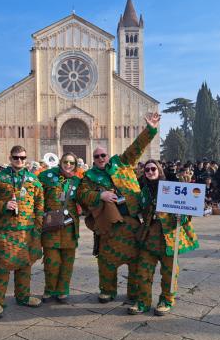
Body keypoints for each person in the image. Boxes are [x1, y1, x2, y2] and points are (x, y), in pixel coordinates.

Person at [77, 113, 160, 304]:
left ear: (108, 155)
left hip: (131, 220)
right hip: (108, 224)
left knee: (135, 259)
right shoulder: (89, 176)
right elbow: (81, 195)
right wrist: (100, 195)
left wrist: (151, 129)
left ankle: (134, 291)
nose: (100, 158)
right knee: (106, 260)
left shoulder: (122, 162)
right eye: (97, 156)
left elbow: (137, 146)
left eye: (103, 155)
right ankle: (107, 290)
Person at [128, 160, 198, 315]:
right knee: (143, 271)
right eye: (147, 170)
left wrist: (183, 215)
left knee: (170, 272)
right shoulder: (143, 191)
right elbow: (135, 208)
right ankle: (143, 302)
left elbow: (187, 209)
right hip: (149, 237)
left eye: (153, 169)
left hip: (169, 237)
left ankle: (166, 300)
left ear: (159, 170)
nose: (150, 172)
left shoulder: (172, 188)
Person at [0, 145, 44, 319]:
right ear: (10, 158)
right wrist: (3, 206)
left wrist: (38, 229)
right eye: (16, 158)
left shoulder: (33, 180)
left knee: (25, 265)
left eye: (23, 158)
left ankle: (23, 296)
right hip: (6, 230)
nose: (20, 161)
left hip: (28, 231)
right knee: (2, 267)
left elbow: (39, 206)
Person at [38, 152, 82, 303]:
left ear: (75, 165)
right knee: (51, 261)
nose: (68, 165)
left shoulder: (77, 181)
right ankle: (49, 289)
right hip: (51, 225)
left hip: (69, 226)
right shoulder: (46, 176)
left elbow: (86, 198)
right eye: (66, 162)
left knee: (67, 262)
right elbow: (36, 193)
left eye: (72, 163)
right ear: (61, 162)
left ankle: (63, 290)